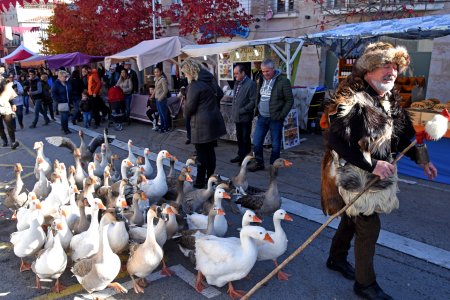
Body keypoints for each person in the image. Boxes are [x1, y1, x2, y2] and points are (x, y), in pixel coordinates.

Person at [321, 42, 438, 300]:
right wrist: (372, 164)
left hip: (375, 171)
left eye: (395, 67)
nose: (392, 71)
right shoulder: (352, 100)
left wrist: (423, 160)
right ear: (368, 70)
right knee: (368, 224)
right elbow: (335, 140)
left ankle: (336, 259)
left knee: (352, 218)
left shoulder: (390, 99)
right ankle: (364, 284)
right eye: (386, 65)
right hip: (353, 172)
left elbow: (408, 135)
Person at [181, 58, 226, 188]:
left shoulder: (194, 85)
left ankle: (200, 181)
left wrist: (187, 101)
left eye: (185, 73)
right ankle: (211, 177)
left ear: (190, 71)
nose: (184, 75)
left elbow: (189, 108)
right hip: (212, 121)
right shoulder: (209, 79)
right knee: (210, 152)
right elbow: (220, 93)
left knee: (201, 154)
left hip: (201, 124)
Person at [247, 58, 294, 172]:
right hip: (262, 117)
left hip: (275, 118)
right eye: (263, 71)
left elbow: (289, 100)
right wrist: (256, 109)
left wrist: (281, 115)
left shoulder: (283, 81)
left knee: (276, 145)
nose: (265, 73)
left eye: (267, 71)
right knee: (257, 142)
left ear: (273, 69)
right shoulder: (260, 79)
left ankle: (274, 166)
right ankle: (259, 163)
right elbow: (258, 96)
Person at [230, 64, 256, 165]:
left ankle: (246, 158)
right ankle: (241, 155)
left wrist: (242, 110)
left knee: (245, 137)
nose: (235, 75)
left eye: (237, 73)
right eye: (234, 73)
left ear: (243, 73)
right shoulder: (237, 83)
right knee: (239, 137)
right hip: (238, 116)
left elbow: (253, 101)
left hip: (245, 116)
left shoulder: (251, 84)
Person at [51, 70, 72, 134]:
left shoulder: (66, 82)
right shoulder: (56, 84)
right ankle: (66, 129)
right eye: (65, 76)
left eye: (66, 76)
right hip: (62, 102)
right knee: (65, 116)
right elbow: (53, 94)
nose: (66, 78)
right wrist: (59, 100)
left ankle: (63, 127)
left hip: (68, 101)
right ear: (60, 77)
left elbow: (70, 89)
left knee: (64, 116)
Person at [0, 80, 20, 149]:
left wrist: (13, 104)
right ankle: (4, 141)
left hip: (6, 109)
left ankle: (13, 142)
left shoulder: (8, 88)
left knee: (10, 126)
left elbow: (10, 98)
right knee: (0, 128)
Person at [151, 67, 169, 133]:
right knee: (160, 114)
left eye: (157, 72)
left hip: (162, 99)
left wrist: (160, 98)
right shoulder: (157, 79)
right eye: (155, 72)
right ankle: (162, 126)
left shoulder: (163, 79)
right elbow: (156, 89)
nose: (156, 73)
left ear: (161, 72)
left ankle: (166, 127)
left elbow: (165, 90)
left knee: (164, 114)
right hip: (157, 99)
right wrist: (152, 95)